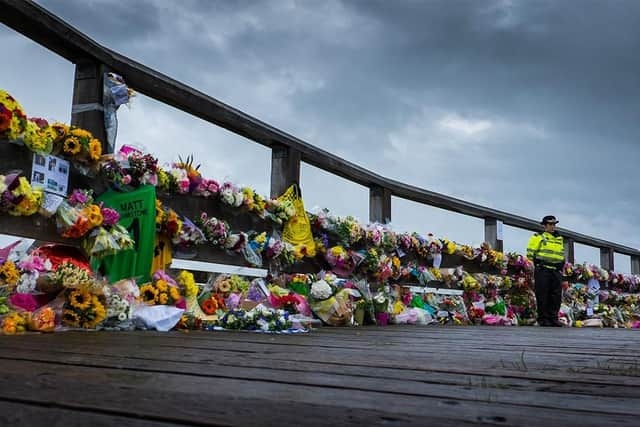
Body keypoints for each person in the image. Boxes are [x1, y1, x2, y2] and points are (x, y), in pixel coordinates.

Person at [527, 215, 565, 327]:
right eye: (550, 224)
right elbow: (530, 253)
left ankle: (553, 318)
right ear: (544, 225)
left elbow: (561, 254)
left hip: (556, 270)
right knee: (543, 294)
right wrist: (535, 265)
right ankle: (543, 319)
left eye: (554, 224)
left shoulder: (559, 239)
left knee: (556, 295)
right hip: (543, 269)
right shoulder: (538, 237)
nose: (552, 226)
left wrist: (562, 264)